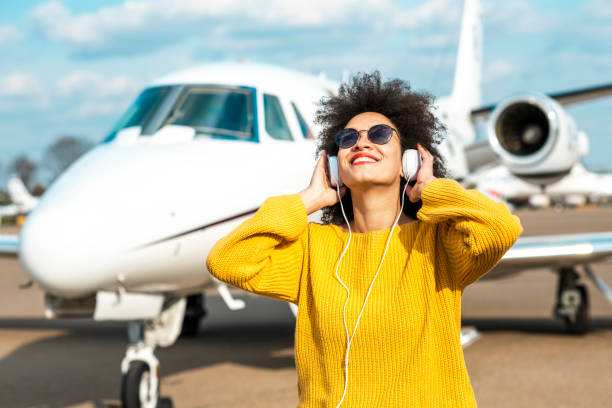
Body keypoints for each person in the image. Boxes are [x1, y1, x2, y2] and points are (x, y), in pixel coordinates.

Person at [206, 72, 522, 407]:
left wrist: (431, 190)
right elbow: (226, 260)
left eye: (380, 134)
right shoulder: (313, 249)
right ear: (333, 163)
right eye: (347, 138)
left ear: (408, 162)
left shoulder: (437, 244)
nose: (361, 142)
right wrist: (309, 199)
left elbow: (501, 227)